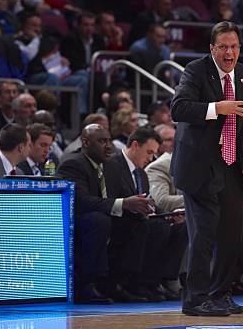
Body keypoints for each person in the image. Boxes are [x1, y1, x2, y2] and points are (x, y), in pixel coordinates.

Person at [171, 21, 243, 316]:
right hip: (198, 164)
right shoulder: (196, 71)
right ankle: (195, 299)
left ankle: (220, 294)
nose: (229, 52)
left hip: (231, 162)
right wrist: (216, 107)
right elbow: (178, 108)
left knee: (231, 233)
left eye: (234, 46)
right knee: (204, 232)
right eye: (223, 47)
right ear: (212, 49)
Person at [105, 126, 186, 302]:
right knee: (155, 227)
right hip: (118, 219)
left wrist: (167, 214)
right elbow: (108, 199)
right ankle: (130, 281)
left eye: (154, 153)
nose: (151, 158)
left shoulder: (141, 173)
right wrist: (130, 204)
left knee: (176, 226)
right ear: (135, 145)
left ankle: (155, 280)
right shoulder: (112, 165)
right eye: (149, 152)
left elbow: (150, 202)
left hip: (140, 219)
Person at [56, 124, 115, 304]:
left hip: (99, 216)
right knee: (98, 220)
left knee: (139, 221)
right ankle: (86, 284)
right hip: (73, 221)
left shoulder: (110, 166)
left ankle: (131, 281)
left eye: (109, 141)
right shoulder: (73, 164)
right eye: (102, 141)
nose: (108, 146)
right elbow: (82, 202)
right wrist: (123, 204)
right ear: (85, 142)